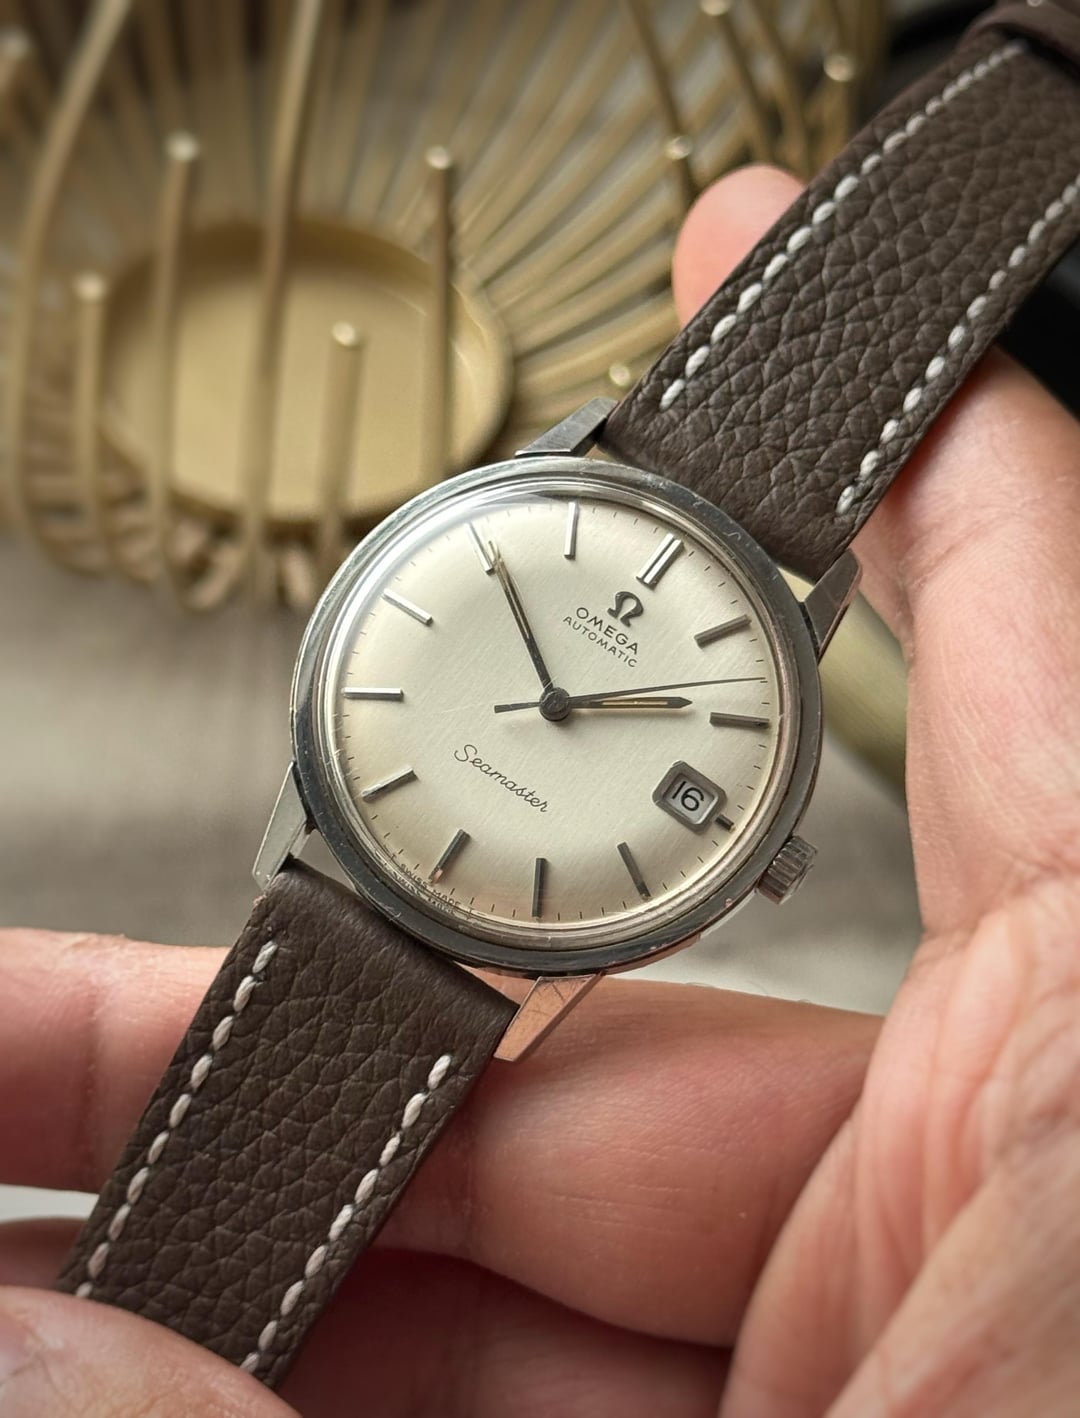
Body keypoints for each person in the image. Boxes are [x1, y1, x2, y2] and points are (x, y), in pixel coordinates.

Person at [2, 163, 1079, 1417]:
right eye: (559, 695)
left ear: (759, 846)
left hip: (478, 920)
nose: (562, 707)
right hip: (373, 844)